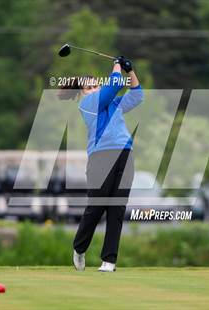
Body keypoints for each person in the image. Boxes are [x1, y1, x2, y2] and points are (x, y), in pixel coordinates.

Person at [65, 57, 143, 272]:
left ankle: (109, 260)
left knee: (117, 208)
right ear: (83, 93)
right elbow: (113, 86)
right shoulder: (88, 105)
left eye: (95, 85)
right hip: (101, 156)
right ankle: (79, 248)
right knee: (97, 206)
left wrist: (130, 70)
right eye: (88, 88)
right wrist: (116, 67)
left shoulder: (115, 104)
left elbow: (137, 95)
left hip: (125, 154)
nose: (93, 89)